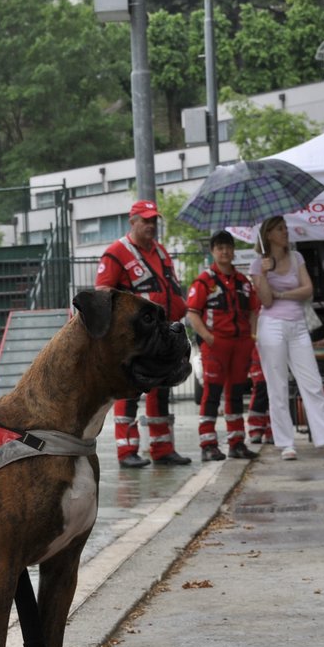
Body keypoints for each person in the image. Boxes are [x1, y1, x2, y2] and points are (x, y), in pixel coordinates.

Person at [248, 216, 324, 460]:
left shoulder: (297, 257)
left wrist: (282, 292)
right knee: (277, 385)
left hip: (298, 325)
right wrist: (264, 274)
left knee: (312, 383)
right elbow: (267, 301)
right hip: (272, 326)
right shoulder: (257, 264)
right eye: (280, 229)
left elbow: (308, 290)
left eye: (285, 228)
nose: (285, 232)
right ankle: (285, 443)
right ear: (268, 234)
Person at [95, 200, 190, 467]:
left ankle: (162, 448)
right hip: (136, 339)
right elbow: (102, 293)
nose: (151, 225)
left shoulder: (160, 251)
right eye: (145, 221)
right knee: (131, 389)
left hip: (162, 334)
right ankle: (127, 450)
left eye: (154, 221)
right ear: (132, 222)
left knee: (161, 389)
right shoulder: (116, 252)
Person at [185, 230, 261, 462]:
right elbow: (192, 313)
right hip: (216, 345)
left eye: (228, 247)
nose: (225, 251)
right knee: (212, 394)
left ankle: (236, 442)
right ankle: (208, 445)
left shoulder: (243, 282)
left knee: (236, 393)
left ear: (233, 250)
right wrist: (208, 338)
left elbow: (254, 310)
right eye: (219, 247)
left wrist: (252, 336)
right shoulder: (204, 282)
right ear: (213, 252)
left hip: (241, 345)